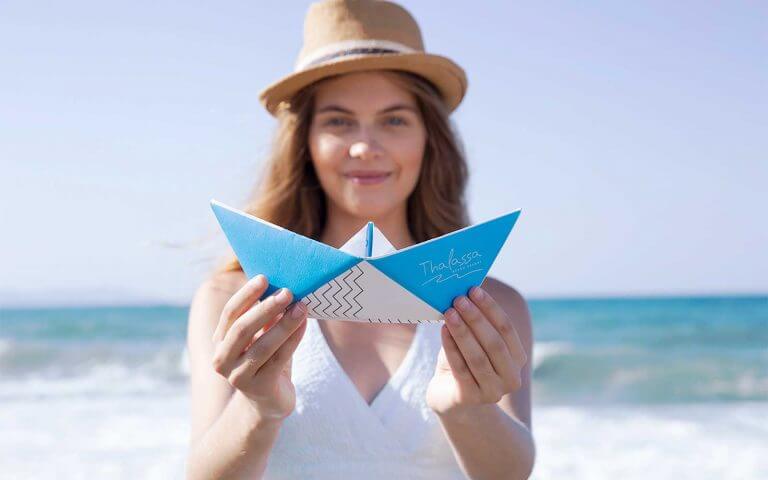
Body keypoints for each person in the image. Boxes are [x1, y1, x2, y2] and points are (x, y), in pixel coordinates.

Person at [185, 1, 534, 478]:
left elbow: (509, 475)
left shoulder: (491, 304)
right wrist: (257, 407)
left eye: (394, 120)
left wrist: (468, 409)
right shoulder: (238, 297)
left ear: (429, 141)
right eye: (338, 120)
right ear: (304, 142)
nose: (365, 147)